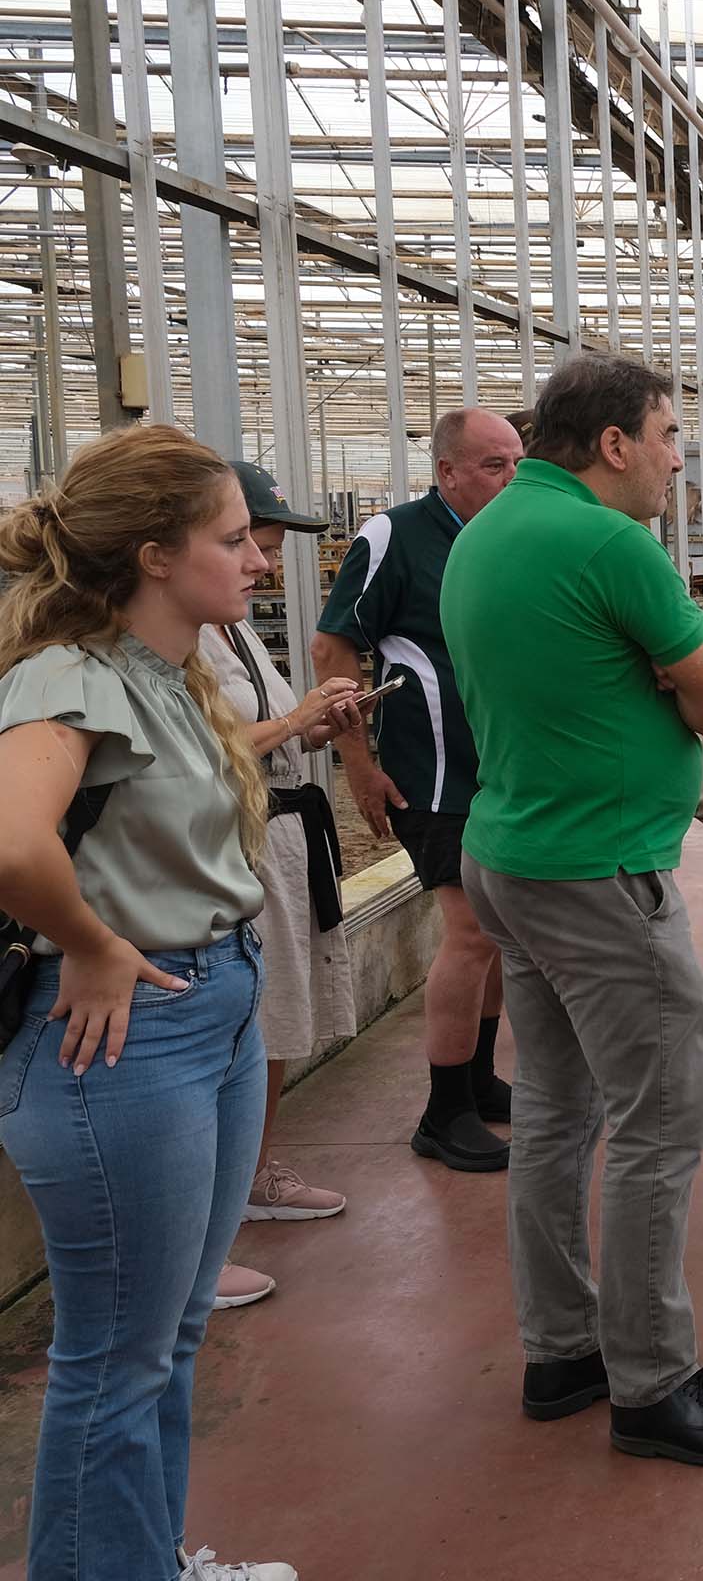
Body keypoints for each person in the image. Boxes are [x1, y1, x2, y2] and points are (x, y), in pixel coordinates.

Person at [444, 353, 703, 1465]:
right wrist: (669, 677)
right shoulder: (610, 545)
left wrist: (654, 676)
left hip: (513, 852)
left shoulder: (489, 530)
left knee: (555, 1112)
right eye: (668, 435)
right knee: (659, 1121)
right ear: (613, 444)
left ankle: (563, 1348)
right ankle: (654, 1379)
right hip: (601, 874)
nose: (677, 458)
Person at [0, 425, 325, 1581]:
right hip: (123, 1040)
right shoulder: (70, 677)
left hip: (210, 1008)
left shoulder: (165, 668)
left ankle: (143, 1560)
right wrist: (86, 942)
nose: (257, 559)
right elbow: (12, 841)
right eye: (233, 538)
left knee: (166, 1336)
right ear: (151, 554)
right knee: (117, 1357)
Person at [313, 406, 524, 1172]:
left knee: (499, 930)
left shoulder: (508, 539)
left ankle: (480, 1078)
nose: (510, 477)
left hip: (505, 765)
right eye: (494, 465)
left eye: (516, 463)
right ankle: (443, 1110)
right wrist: (358, 764)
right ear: (448, 472)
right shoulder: (394, 535)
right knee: (469, 932)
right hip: (435, 771)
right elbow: (334, 645)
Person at [203, 464, 364, 1314]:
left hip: (282, 837)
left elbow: (253, 729)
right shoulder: (174, 640)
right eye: (246, 539)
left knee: (274, 1020)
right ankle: (206, 1238)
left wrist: (309, 720)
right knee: (238, 1027)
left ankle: (252, 1179)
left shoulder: (231, 630)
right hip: (241, 847)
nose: (265, 558)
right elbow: (210, 747)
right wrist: (298, 720)